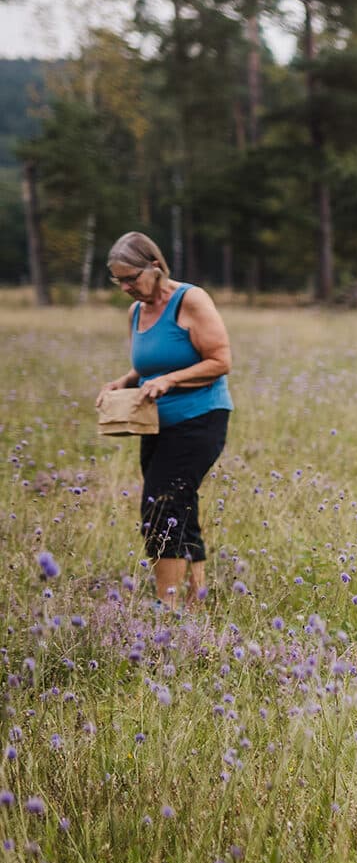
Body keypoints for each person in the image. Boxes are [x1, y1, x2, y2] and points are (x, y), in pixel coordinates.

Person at [95, 232, 233, 611]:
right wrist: (123, 382)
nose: (125, 287)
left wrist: (170, 381)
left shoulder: (191, 300)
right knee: (179, 507)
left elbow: (220, 361)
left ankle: (165, 607)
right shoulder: (135, 312)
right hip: (156, 424)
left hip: (200, 419)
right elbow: (148, 366)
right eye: (118, 280)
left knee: (160, 508)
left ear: (154, 267)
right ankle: (195, 602)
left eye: (131, 278)